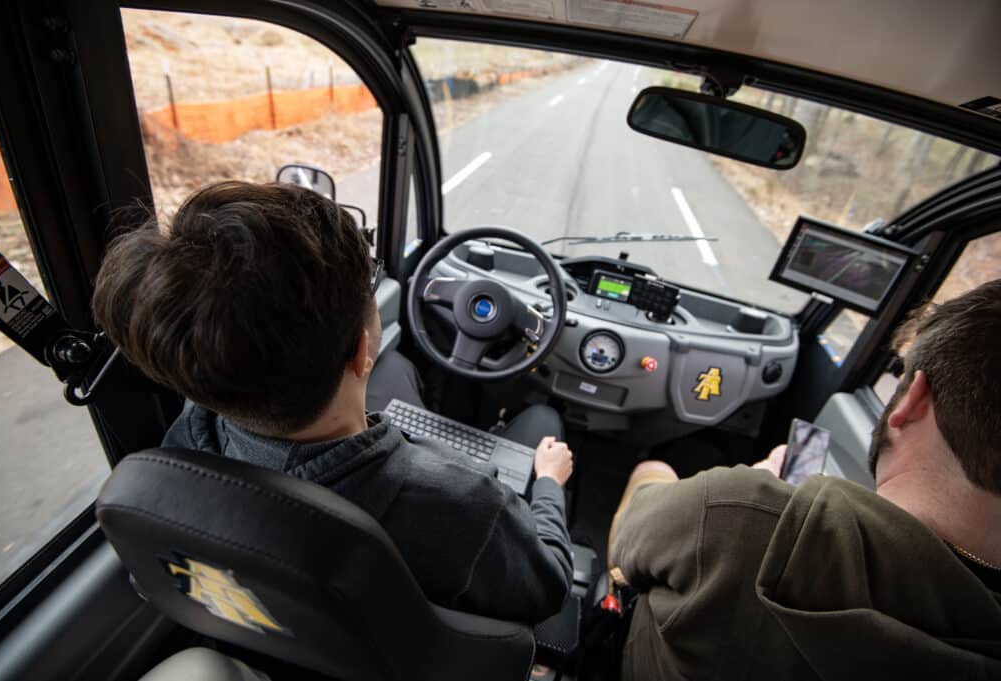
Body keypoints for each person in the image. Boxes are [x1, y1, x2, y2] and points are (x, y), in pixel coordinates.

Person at [92, 181, 574, 624]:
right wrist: (549, 484)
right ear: (363, 351)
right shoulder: (465, 507)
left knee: (402, 372)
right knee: (542, 418)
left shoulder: (180, 458)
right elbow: (546, 589)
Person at [608, 280, 1001, 680]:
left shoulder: (743, 513)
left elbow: (627, 548)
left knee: (653, 472)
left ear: (913, 401)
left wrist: (758, 488)